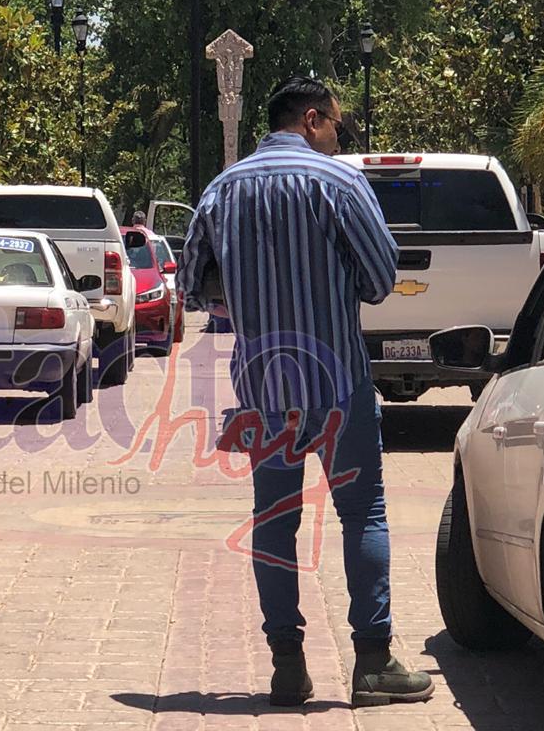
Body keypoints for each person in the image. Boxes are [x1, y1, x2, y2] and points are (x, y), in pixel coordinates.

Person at [179, 76, 431, 709]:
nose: (337, 137)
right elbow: (378, 281)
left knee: (275, 521)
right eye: (335, 126)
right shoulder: (339, 184)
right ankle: (372, 665)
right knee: (362, 515)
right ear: (312, 119)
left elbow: (193, 288)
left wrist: (247, 296)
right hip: (338, 383)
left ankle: (287, 668)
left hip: (264, 389)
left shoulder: (221, 191)